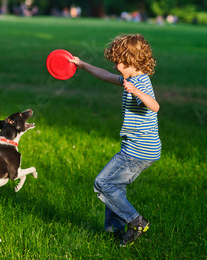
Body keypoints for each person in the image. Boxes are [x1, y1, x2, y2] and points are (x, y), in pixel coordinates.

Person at [69, 34, 161, 247]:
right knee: (115, 186)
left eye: (121, 62)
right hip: (137, 148)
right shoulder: (130, 78)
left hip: (139, 151)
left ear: (135, 62)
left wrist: (136, 91)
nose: (116, 67)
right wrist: (82, 64)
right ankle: (115, 230)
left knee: (103, 183)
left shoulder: (141, 84)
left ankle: (136, 221)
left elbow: (155, 106)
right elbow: (104, 75)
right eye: (115, 62)